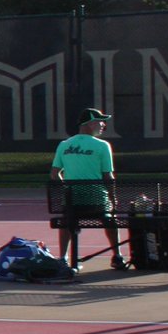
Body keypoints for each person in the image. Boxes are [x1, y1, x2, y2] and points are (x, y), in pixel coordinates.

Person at [50, 107, 126, 273]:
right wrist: (113, 198)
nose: (103, 126)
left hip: (72, 203)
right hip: (97, 203)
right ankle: (117, 256)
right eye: (100, 122)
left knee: (67, 218)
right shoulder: (103, 146)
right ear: (90, 123)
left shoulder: (64, 145)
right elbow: (108, 176)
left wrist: (67, 190)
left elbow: (54, 174)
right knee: (110, 218)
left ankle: (63, 258)